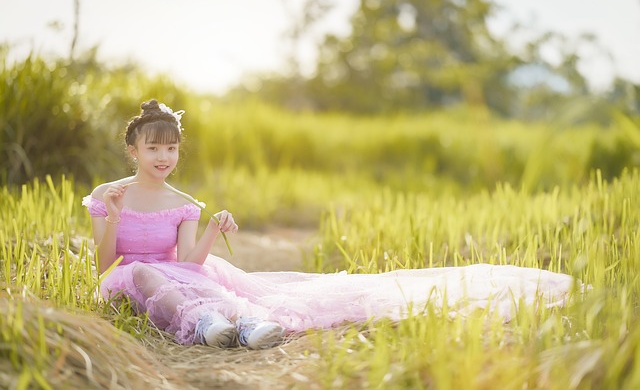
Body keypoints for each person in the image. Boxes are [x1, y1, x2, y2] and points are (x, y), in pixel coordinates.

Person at [84, 99, 580, 350]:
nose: (164, 157)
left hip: (180, 277)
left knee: (183, 276)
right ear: (133, 150)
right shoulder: (109, 196)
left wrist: (213, 231)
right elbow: (105, 264)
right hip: (128, 276)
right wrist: (116, 216)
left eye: (171, 148)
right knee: (147, 273)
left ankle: (243, 323)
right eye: (153, 148)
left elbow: (189, 264)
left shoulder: (184, 202)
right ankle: (207, 324)